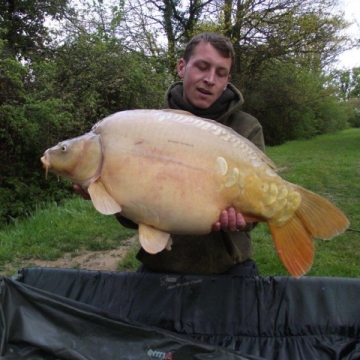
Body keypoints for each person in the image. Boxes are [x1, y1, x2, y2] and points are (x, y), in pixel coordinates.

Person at [75, 32, 265, 276]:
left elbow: (257, 213)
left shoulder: (246, 127)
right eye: (202, 67)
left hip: (229, 266)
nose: (210, 79)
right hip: (162, 264)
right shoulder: (147, 127)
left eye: (220, 73)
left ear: (228, 79)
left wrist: (243, 220)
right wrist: (109, 193)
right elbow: (135, 216)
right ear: (182, 67)